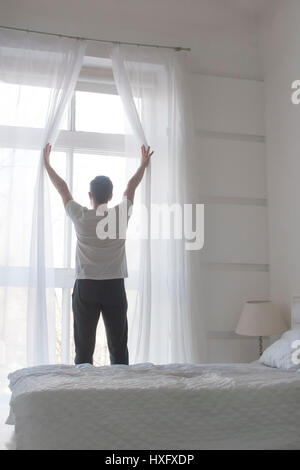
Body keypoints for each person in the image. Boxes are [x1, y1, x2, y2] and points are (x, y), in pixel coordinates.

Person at [43, 143, 154, 365]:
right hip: (114, 286)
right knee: (118, 349)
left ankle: (84, 396)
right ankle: (119, 395)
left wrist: (47, 164)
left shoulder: (81, 216)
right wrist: (143, 165)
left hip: (87, 287)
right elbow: (131, 187)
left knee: (83, 352)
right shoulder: (120, 215)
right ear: (111, 196)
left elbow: (63, 188)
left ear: (90, 195)